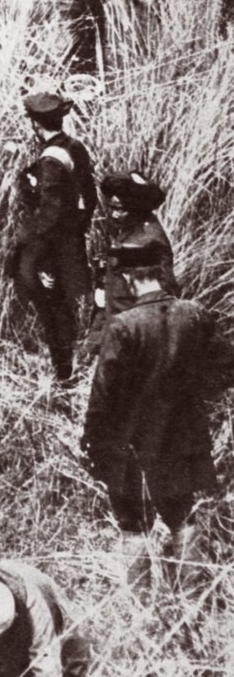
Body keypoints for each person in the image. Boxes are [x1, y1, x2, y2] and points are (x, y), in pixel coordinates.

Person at [82, 239, 234, 597]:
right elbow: (228, 366)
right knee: (183, 517)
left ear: (130, 281)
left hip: (131, 442)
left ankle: (140, 607)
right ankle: (191, 601)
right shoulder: (194, 314)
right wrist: (196, 391)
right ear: (160, 275)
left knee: (133, 525)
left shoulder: (122, 326)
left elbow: (103, 394)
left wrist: (92, 440)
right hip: (183, 437)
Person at [9, 91, 96, 385]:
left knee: (52, 308)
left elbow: (50, 214)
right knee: (61, 306)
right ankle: (64, 368)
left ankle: (62, 374)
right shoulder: (75, 147)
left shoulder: (50, 160)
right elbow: (89, 197)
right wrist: (77, 229)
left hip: (52, 246)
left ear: (35, 124)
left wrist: (44, 259)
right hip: (70, 240)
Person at [99, 171, 176, 316]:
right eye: (112, 207)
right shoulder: (128, 227)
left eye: (120, 209)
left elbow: (163, 293)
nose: (114, 214)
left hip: (133, 322)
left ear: (135, 208)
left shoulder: (149, 238)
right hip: (117, 316)